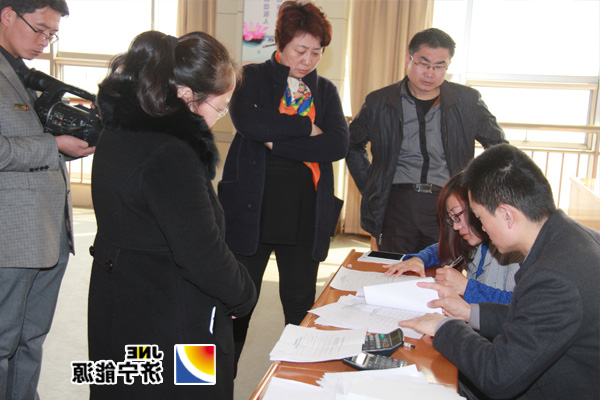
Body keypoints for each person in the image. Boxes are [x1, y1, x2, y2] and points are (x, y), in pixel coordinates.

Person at [88, 31, 257, 399]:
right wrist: (243, 295)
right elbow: (201, 254)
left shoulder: (118, 130)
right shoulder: (172, 154)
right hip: (175, 324)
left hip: (122, 307)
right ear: (185, 95)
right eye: (220, 107)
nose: (219, 118)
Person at [399, 144, 600, 399]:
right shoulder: (573, 238)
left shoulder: (554, 277)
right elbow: (534, 318)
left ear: (507, 215)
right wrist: (470, 312)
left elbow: (498, 375)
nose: (482, 227)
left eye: (480, 217)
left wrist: (444, 326)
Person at [217, 0, 349, 367]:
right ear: (280, 43)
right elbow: (249, 124)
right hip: (251, 212)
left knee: (300, 306)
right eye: (300, 50)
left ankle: (299, 380)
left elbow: (337, 145)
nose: (307, 60)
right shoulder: (252, 78)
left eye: (316, 52)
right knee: (236, 305)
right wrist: (307, 126)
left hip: (304, 214)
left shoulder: (325, 91)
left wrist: (277, 142)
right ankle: (216, 385)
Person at [0, 1, 95, 399]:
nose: (44, 41)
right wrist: (52, 145)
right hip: (11, 238)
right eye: (39, 29)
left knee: (31, 340)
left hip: (49, 232)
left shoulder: (23, 73)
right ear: (7, 15)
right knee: (3, 342)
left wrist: (70, 142)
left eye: (52, 34)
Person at [346, 27, 506, 254]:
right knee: (394, 268)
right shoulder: (379, 102)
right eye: (423, 63)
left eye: (439, 66)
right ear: (408, 59)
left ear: (448, 66)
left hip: (447, 204)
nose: (430, 73)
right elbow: (352, 145)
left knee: (441, 270)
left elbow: (499, 149)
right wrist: (372, 184)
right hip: (396, 203)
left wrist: (473, 191)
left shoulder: (467, 102)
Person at [384, 172, 522, 304]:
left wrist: (466, 287)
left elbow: (519, 305)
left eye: (457, 215)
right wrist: (420, 259)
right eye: (452, 219)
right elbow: (444, 248)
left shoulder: (516, 248)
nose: (455, 226)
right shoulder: (478, 244)